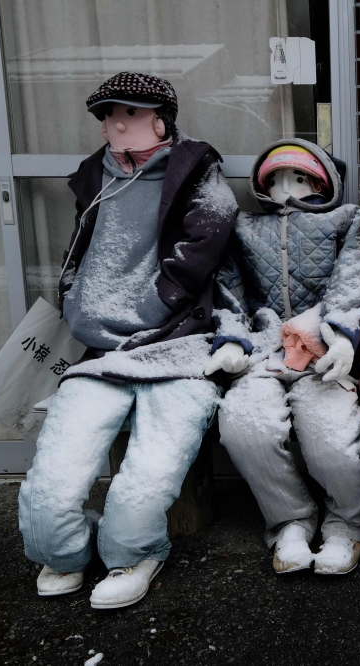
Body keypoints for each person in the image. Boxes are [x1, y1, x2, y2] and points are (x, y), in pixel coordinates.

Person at [18, 71, 238, 609]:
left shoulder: (195, 170)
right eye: (106, 115)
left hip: (178, 345)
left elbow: (208, 233)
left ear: (161, 118)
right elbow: (81, 247)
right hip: (100, 351)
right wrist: (73, 296)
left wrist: (158, 300)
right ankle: (64, 552)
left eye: (129, 113)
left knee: (147, 477)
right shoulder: (98, 176)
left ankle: (133, 552)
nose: (114, 123)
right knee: (52, 483)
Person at [207, 139, 360, 575]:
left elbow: (354, 278)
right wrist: (232, 339)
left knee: (330, 439)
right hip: (264, 352)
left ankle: (350, 523)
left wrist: (341, 335)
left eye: (299, 178)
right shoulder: (245, 226)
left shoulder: (346, 220)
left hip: (322, 354)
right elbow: (228, 287)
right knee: (245, 428)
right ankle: (291, 521)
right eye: (276, 179)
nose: (287, 188)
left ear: (321, 183)